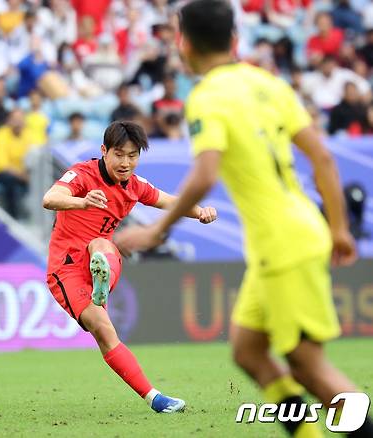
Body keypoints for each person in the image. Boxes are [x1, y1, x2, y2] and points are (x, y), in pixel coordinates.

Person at [115, 2, 373, 437]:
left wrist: (157, 229)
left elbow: (204, 176)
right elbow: (323, 158)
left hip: (282, 243)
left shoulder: (206, 97)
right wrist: (340, 229)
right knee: (248, 349)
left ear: (185, 45)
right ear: (235, 40)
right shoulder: (269, 84)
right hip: (298, 231)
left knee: (309, 368)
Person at [42, 121, 217, 414]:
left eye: (132, 155)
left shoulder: (134, 185)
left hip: (104, 261)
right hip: (67, 268)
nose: (126, 163)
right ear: (104, 151)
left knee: (104, 244)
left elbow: (168, 201)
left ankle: (101, 280)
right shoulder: (82, 174)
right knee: (103, 330)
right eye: (119, 154)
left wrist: (200, 212)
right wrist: (82, 202)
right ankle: (155, 398)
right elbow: (50, 198)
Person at [0, 108, 35, 218]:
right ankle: (13, 218)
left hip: (25, 174)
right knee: (10, 182)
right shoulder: (0, 134)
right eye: (15, 119)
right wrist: (22, 176)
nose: (18, 122)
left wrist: (27, 175)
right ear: (9, 121)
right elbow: (3, 164)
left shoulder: (28, 134)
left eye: (20, 119)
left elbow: (35, 156)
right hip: (4, 173)